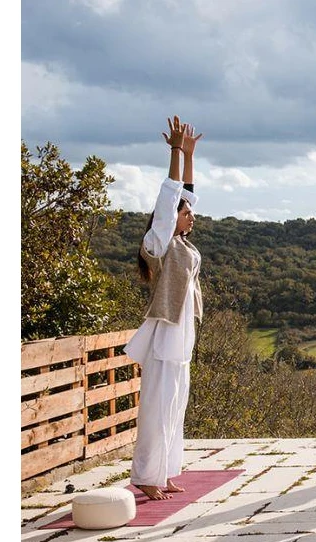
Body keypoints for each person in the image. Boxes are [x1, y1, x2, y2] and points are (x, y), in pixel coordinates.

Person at [124, 116, 204, 501]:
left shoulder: (184, 244)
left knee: (176, 405)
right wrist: (174, 152)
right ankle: (145, 475)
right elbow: (171, 198)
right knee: (157, 406)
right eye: (185, 214)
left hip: (182, 334)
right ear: (171, 220)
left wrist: (189, 155)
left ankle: (166, 470)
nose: (191, 216)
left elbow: (187, 194)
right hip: (164, 335)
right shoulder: (158, 244)